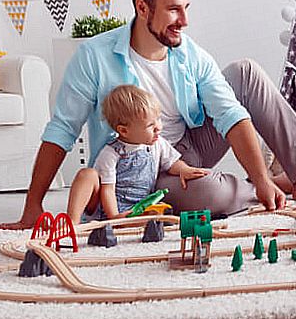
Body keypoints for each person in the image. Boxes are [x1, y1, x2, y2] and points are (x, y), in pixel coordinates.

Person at [0, 0, 296, 230]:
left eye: (186, 8)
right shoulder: (94, 57)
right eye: (173, 10)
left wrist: (257, 176)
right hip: (145, 169)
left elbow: (230, 114)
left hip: (191, 144)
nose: (184, 20)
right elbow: (61, 131)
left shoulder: (189, 53)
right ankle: (264, 186)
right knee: (214, 196)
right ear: (142, 8)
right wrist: (32, 207)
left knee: (246, 73)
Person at [66, 84, 210, 222]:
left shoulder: (157, 143)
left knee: (161, 213)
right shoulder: (111, 153)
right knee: (87, 174)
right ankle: (73, 221)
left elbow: (172, 162)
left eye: (158, 119)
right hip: (108, 208)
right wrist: (115, 217)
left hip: (139, 207)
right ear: (124, 131)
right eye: (150, 125)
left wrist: (184, 170)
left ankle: (134, 220)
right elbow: (107, 190)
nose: (158, 128)